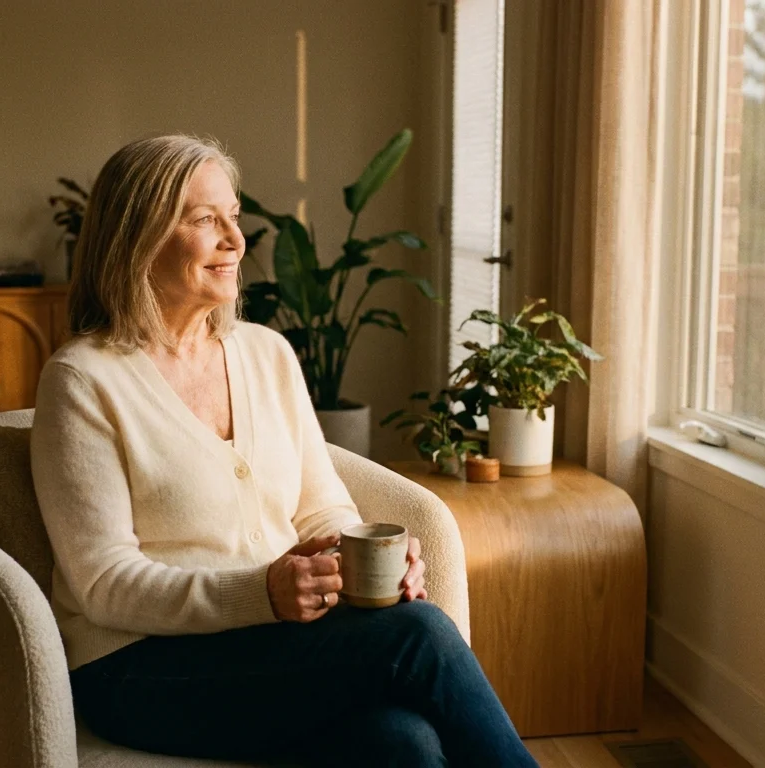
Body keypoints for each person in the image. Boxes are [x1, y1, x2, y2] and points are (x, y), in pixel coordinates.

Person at [31, 134, 537, 767]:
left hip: (267, 647)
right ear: (137, 237)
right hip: (137, 668)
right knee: (421, 633)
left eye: (234, 218)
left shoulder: (265, 353)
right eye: (204, 220)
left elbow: (321, 507)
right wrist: (261, 593)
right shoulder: (82, 380)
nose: (235, 241)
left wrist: (366, 554)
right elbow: (104, 583)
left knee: (404, 744)